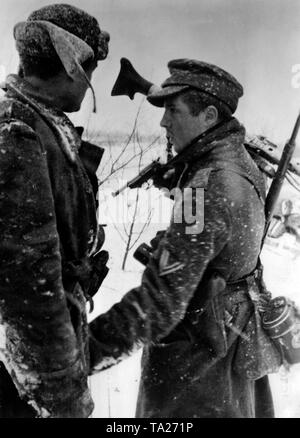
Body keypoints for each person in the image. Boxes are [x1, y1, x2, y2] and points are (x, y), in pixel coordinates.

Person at [88, 59, 281, 418]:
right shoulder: (242, 164)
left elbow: (160, 301)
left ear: (208, 116)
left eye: (173, 111)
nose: (163, 122)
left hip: (197, 364)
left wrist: (82, 351)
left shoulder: (205, 187)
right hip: (229, 341)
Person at [0, 4, 109, 418]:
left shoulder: (43, 125)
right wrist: (62, 393)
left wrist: (78, 261)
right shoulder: (19, 131)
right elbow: (29, 287)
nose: (89, 85)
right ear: (72, 66)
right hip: (27, 377)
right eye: (91, 71)